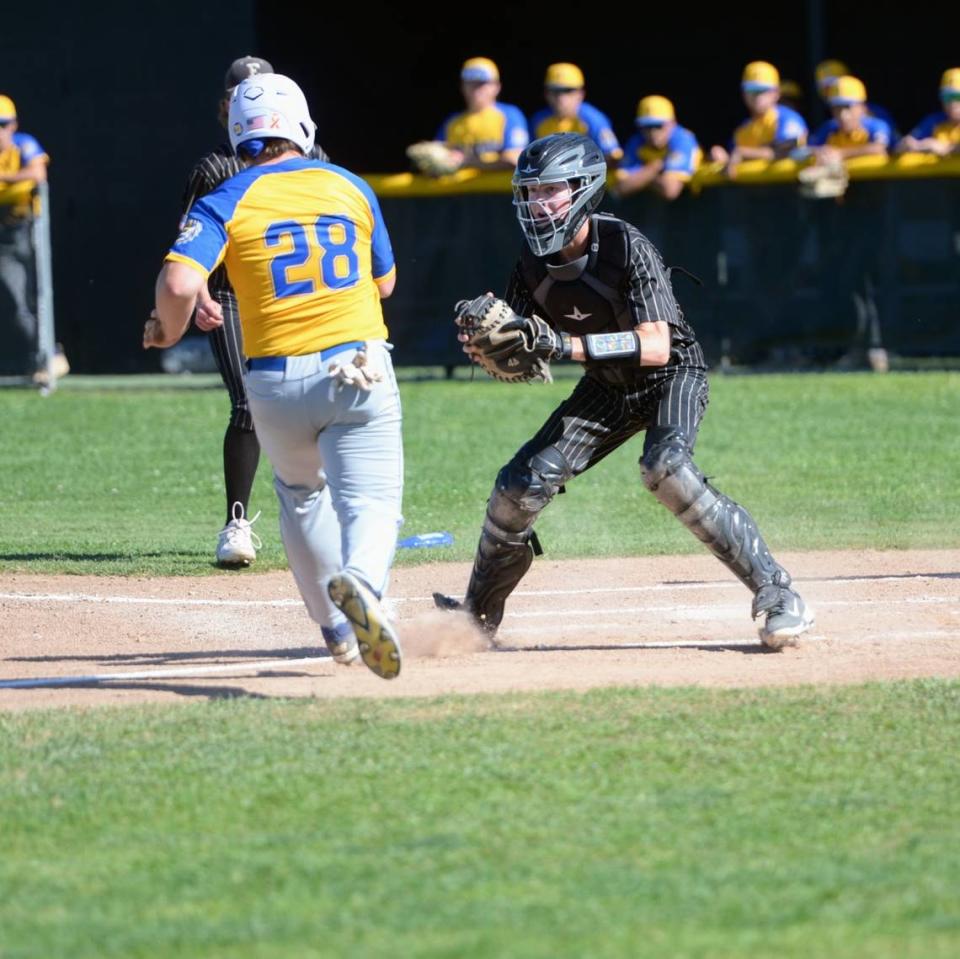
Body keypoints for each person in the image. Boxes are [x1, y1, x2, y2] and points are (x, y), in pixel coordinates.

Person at [433, 133, 814, 650]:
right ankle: (476, 618)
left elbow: (656, 346)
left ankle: (778, 594)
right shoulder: (530, 262)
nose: (537, 204)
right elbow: (525, 340)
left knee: (666, 470)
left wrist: (561, 344)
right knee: (516, 488)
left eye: (551, 191)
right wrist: (493, 344)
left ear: (585, 189)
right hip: (607, 388)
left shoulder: (623, 245)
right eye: (529, 193)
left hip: (671, 375)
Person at [144, 74, 403, 680]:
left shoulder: (226, 196)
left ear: (239, 137)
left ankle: (337, 630)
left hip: (276, 381)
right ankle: (361, 585)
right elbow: (385, 282)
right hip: (356, 366)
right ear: (303, 127)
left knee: (301, 498)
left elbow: (181, 283)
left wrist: (168, 329)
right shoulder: (351, 186)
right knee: (370, 501)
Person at [176, 56, 331, 568]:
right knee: (248, 401)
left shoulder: (314, 158)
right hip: (230, 295)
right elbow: (189, 245)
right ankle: (236, 523)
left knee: (323, 398)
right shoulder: (215, 169)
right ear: (226, 106)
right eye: (242, 92)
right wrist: (196, 294)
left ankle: (321, 513)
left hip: (294, 295)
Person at [0, 94, 64, 379]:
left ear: (13, 125)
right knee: (17, 303)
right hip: (3, 237)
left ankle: (50, 354)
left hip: (27, 230)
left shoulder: (23, 145)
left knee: (38, 294)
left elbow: (38, 173)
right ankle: (41, 356)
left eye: (2, 124)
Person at [710, 61, 808, 176]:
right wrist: (724, 158)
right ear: (743, 94)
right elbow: (734, 158)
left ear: (776, 93)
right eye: (751, 90)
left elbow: (786, 150)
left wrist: (743, 153)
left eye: (763, 90)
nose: (757, 96)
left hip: (788, 190)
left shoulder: (789, 119)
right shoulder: (743, 129)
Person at [433, 57, 529, 170]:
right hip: (459, 188)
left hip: (499, 187)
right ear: (462, 86)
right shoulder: (452, 122)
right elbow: (435, 161)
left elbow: (514, 160)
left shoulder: (510, 115)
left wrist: (467, 162)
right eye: (470, 83)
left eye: (482, 83)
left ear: (497, 86)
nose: (476, 89)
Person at [529, 62, 622, 163]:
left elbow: (613, 156)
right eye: (555, 91)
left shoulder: (593, 119)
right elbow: (529, 157)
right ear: (546, 93)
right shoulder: (538, 120)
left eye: (568, 91)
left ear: (581, 94)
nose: (560, 97)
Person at [613, 95, 701, 200]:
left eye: (658, 125)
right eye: (646, 126)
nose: (652, 132)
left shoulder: (683, 139)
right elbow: (620, 189)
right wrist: (655, 167)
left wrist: (641, 175)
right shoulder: (637, 140)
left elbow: (670, 190)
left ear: (672, 123)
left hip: (692, 204)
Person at [809, 76, 892, 163]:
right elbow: (804, 150)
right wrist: (819, 152)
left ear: (862, 107)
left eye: (848, 107)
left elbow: (879, 148)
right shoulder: (829, 127)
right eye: (837, 108)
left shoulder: (876, 126)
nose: (842, 115)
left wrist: (841, 154)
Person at [815, 59, 898, 134]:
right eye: (823, 86)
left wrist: (840, 151)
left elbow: (888, 143)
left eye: (832, 84)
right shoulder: (830, 125)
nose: (829, 90)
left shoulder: (876, 115)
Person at [897, 68, 960, 156]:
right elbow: (902, 146)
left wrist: (944, 148)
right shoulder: (934, 121)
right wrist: (921, 146)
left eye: (958, 97)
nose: (952, 103)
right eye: (947, 97)